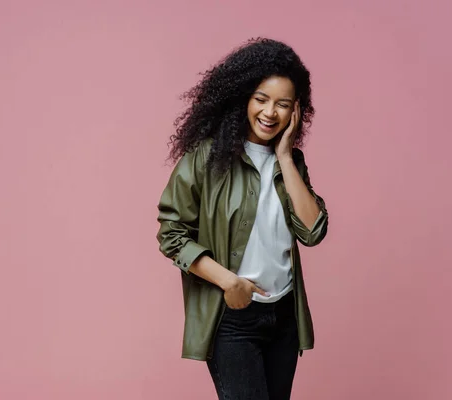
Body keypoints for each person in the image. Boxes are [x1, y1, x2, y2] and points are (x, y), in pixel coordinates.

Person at [156, 37, 329, 400]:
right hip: (232, 318)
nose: (270, 113)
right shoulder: (207, 157)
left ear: (296, 110)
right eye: (261, 99)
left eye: (283, 104)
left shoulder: (292, 163)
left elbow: (312, 232)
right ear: (243, 98)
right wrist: (229, 282)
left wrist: (283, 156)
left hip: (284, 317)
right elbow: (172, 232)